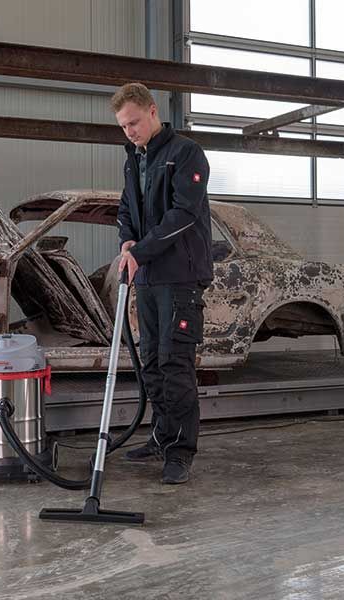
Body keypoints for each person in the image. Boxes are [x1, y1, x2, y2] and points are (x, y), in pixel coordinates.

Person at [112, 82, 213, 485]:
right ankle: (161, 435)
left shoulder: (185, 153)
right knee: (152, 361)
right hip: (149, 276)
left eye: (134, 122)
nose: (130, 131)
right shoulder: (133, 160)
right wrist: (127, 240)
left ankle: (181, 451)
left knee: (175, 363)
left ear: (153, 111)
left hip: (180, 277)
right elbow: (126, 208)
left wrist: (141, 251)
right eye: (123, 126)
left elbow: (183, 214)